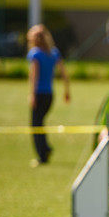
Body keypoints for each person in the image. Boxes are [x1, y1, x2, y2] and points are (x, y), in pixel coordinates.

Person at [26, 24, 70, 165]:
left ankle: (42, 155)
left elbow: (34, 76)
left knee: (36, 125)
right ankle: (46, 148)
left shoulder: (35, 54)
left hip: (39, 94)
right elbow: (64, 73)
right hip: (50, 95)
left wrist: (32, 94)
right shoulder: (54, 52)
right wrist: (67, 91)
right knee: (40, 122)